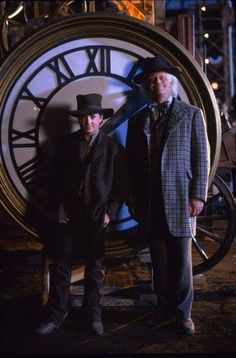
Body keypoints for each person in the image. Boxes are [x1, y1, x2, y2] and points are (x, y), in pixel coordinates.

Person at [126, 55, 210, 335]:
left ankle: (182, 315)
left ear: (171, 83)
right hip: (150, 201)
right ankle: (161, 308)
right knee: (158, 261)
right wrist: (133, 200)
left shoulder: (191, 114)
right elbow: (131, 165)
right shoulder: (137, 121)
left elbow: (202, 157)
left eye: (161, 78)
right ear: (146, 87)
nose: (157, 83)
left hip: (181, 198)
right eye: (152, 80)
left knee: (181, 262)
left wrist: (198, 195)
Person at [36, 93, 127, 336]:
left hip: (96, 215)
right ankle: (56, 315)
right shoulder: (66, 144)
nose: (89, 121)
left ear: (100, 119)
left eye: (93, 117)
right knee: (61, 266)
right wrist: (60, 208)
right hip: (68, 214)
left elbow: (121, 186)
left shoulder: (112, 147)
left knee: (95, 268)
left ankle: (92, 317)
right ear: (80, 120)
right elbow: (54, 180)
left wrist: (110, 212)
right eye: (85, 117)